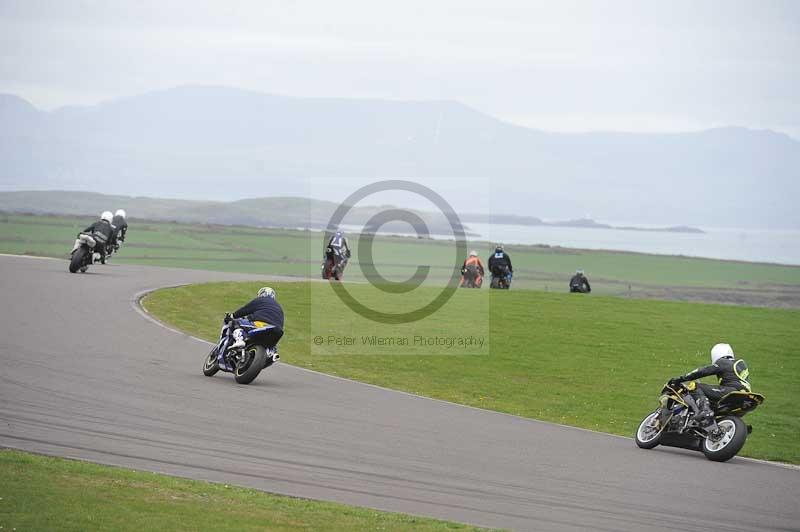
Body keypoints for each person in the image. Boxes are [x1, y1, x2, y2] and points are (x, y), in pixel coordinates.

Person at [667, 343, 752, 428]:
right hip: (746, 396)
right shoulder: (739, 365)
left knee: (695, 386)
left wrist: (680, 379)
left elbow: (703, 371)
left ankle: (705, 411)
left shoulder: (723, 362)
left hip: (731, 391)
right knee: (713, 404)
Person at [225, 287, 285, 358]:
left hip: (261, 324)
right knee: (271, 344)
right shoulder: (279, 308)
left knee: (235, 322)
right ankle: (271, 352)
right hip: (277, 331)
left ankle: (240, 340)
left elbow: (245, 310)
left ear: (262, 293)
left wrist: (233, 315)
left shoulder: (261, 300)